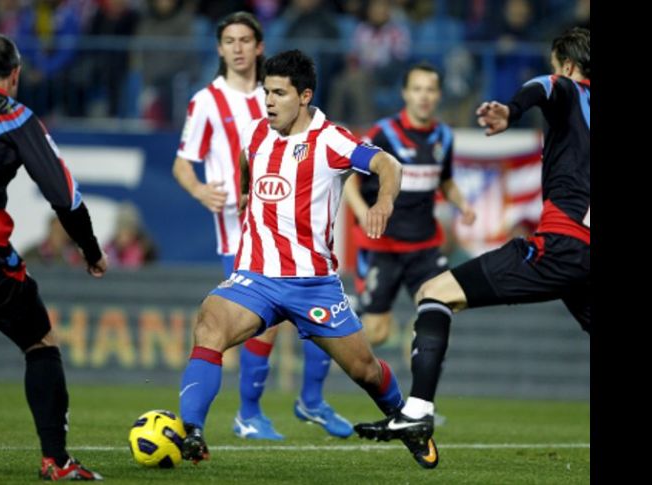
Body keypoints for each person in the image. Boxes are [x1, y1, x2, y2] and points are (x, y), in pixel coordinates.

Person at [354, 27, 590, 470]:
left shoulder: (569, 88)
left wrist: (511, 110)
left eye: (559, 65)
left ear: (571, 67)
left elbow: (545, 85)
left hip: (563, 246)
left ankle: (417, 413)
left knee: (435, 293)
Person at [177, 49, 409, 466]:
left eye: (279, 93)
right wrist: (249, 194)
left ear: (304, 96)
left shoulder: (330, 139)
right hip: (258, 277)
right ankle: (191, 432)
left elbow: (386, 163)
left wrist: (385, 201)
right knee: (210, 321)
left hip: (313, 285)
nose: (268, 101)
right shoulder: (255, 133)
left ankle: (403, 418)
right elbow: (249, 166)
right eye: (266, 91)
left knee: (364, 371)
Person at [172, 12, 352, 441]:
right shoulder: (206, 102)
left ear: (258, 46)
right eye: (228, 40)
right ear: (219, 49)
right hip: (239, 230)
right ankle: (248, 412)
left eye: (244, 40)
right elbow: (183, 163)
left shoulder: (276, 93)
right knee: (263, 324)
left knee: (320, 315)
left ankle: (310, 400)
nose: (236, 48)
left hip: (295, 225)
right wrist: (202, 191)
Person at [0, 33, 107, 481]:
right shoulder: (17, 117)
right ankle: (55, 460)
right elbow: (64, 195)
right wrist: (91, 251)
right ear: (15, 75)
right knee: (40, 344)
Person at [344, 62, 476, 349]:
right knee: (377, 334)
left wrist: (463, 205)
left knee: (445, 303)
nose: (424, 96)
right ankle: (347, 313)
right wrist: (363, 213)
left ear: (439, 95)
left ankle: (422, 386)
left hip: (424, 246)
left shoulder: (444, 136)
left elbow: (445, 180)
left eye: (430, 90)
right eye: (417, 89)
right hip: (383, 246)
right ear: (405, 93)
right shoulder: (383, 134)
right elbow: (350, 183)